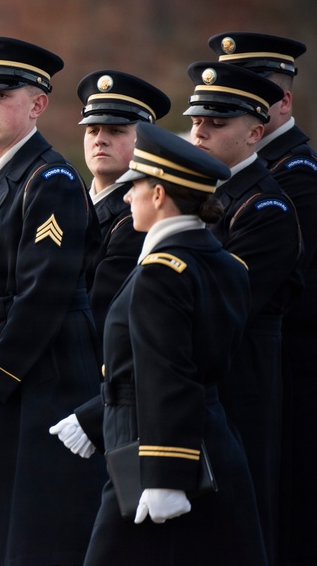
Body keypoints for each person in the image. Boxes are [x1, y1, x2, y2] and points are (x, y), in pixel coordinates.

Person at [54, 121, 266, 565]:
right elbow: (179, 366)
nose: (127, 196)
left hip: (150, 453)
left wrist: (166, 473)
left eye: (136, 186)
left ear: (158, 194)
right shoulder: (222, 263)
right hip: (202, 444)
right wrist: (95, 417)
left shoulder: (161, 273)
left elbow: (169, 372)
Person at [0, 36, 104, 565]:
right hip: (0, 374)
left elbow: (43, 295)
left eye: (3, 94)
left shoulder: (49, 179)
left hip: (41, 375)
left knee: (34, 533)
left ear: (37, 105)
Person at [183, 60, 301, 564]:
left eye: (218, 122)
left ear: (256, 132)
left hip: (238, 386)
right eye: (197, 120)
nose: (200, 130)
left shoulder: (264, 209)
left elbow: (219, 307)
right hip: (192, 384)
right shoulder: (195, 199)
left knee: (236, 530)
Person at [207, 31, 317, 565]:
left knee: (280, 509)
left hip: (285, 362)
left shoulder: (295, 174)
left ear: (280, 104)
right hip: (241, 357)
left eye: (255, 91)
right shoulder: (229, 177)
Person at [78, 70, 171, 337]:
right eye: (92, 129)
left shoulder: (139, 217)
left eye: (116, 130)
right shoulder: (72, 203)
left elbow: (102, 313)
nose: (100, 139)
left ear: (146, 140)